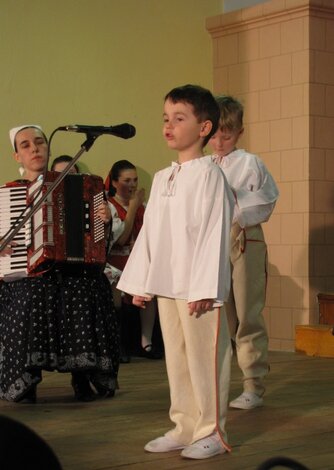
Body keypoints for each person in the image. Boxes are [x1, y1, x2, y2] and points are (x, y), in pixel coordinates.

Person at [117, 84, 235, 460]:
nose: (168, 125)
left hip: (197, 287)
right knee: (178, 359)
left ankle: (212, 431)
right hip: (168, 285)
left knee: (205, 359)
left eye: (179, 118)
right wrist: (141, 282)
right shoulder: (167, 178)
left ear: (204, 128)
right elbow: (151, 234)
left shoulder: (209, 176)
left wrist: (204, 287)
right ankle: (185, 424)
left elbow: (215, 233)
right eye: (165, 118)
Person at [0, 125, 119, 403]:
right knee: (28, 293)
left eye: (39, 142)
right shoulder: (9, 196)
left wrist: (105, 222)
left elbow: (95, 245)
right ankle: (26, 380)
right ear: (17, 156)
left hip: (71, 271)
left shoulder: (81, 187)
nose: (35, 148)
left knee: (89, 286)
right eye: (26, 145)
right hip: (30, 274)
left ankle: (82, 376)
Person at [209, 95, 279, 410]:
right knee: (220, 315)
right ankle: (220, 381)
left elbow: (266, 199)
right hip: (214, 243)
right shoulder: (204, 164)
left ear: (239, 132)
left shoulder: (249, 162)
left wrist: (231, 203)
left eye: (228, 134)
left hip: (244, 238)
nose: (220, 141)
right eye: (215, 134)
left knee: (248, 314)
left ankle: (253, 384)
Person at [105, 160, 163, 362]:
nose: (132, 185)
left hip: (137, 260)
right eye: (126, 180)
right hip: (115, 260)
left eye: (135, 180)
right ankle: (118, 342)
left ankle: (146, 341)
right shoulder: (109, 207)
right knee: (115, 282)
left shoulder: (144, 207)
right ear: (114, 183)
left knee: (149, 282)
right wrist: (132, 208)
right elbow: (120, 239)